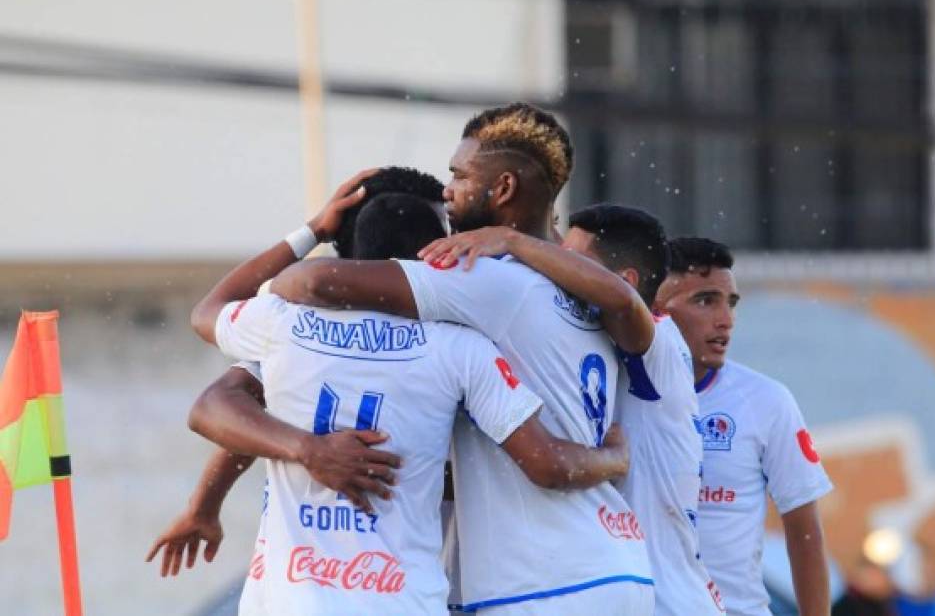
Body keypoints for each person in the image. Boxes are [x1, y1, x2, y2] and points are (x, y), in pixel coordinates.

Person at [176, 169, 633, 615]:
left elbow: (216, 389)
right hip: (403, 600)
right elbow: (547, 463)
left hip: (288, 600)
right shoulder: (462, 347)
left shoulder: (283, 323)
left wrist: (310, 231)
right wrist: (615, 457)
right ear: (428, 256)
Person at [264, 103, 655, 614]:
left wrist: (319, 236)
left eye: (459, 174)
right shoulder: (582, 292)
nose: (448, 189)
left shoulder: (483, 278)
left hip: (544, 583)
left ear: (504, 189)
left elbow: (312, 282)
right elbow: (632, 317)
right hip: (617, 564)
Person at [147, 167, 456, 579]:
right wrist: (309, 450)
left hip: (401, 569)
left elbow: (222, 378)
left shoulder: (295, 326)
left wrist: (311, 231)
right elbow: (228, 409)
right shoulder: (302, 327)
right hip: (381, 578)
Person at [420, 202, 725, 615]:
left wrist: (512, 240)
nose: (555, 270)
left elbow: (622, 304)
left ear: (622, 282)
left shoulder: (657, 341)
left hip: (666, 600)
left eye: (570, 260)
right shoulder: (599, 342)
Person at [654, 237, 833, 616]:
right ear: (656, 308)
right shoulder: (619, 393)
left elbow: (805, 533)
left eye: (730, 302)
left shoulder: (767, 401)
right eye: (705, 300)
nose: (726, 319)